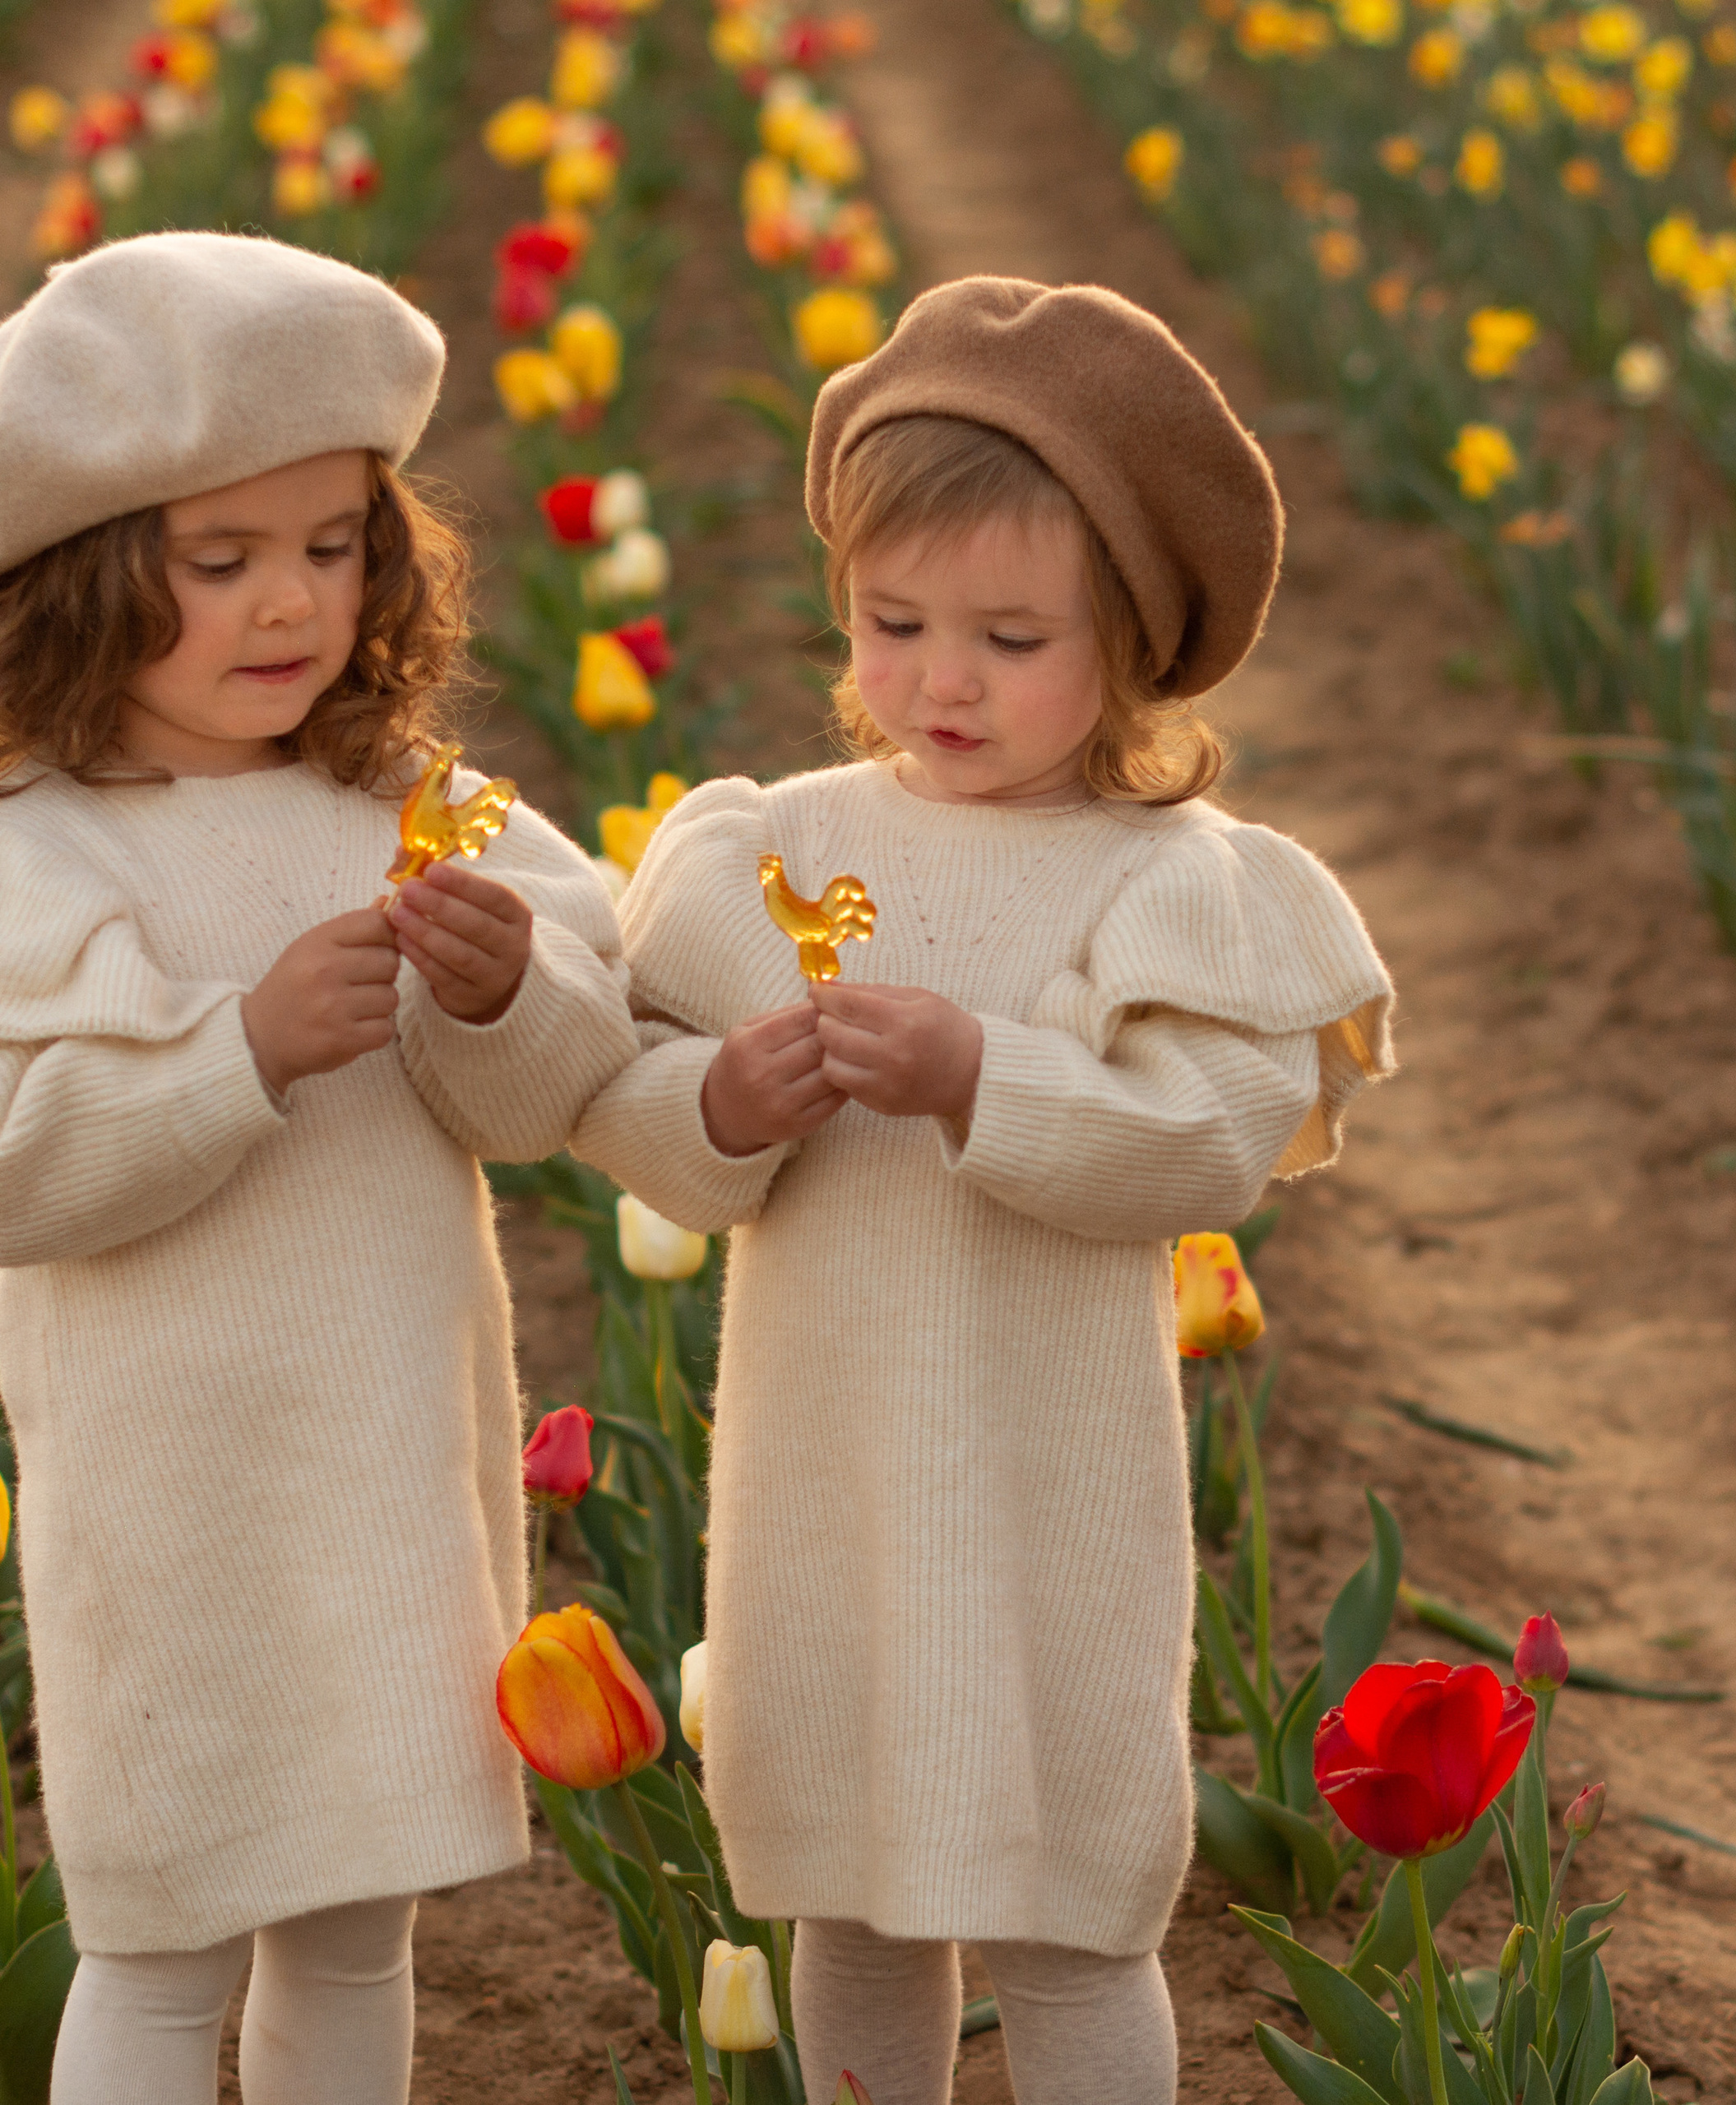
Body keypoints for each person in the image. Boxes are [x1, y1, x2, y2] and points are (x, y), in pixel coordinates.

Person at [572, 276, 1394, 2104]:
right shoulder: (769, 853)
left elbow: (1200, 1146)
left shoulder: (1167, 882)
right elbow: (630, 1119)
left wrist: (978, 1075)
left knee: (1068, 1911)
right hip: (831, 1477)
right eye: (893, 619)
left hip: (1048, 1489)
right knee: (851, 1901)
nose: (939, 677)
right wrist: (722, 1093)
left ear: (1133, 642)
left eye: (1010, 635)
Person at [0, 232, 637, 2105]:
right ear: (84, 580)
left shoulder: (412, 809)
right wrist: (238, 1049)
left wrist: (508, 992)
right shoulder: (36, 853)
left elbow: (547, 1098)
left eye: (333, 544)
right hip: (165, 1497)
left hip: (383, 1468)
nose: (292, 603)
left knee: (362, 1914)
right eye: (223, 561)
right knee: (164, 1927)